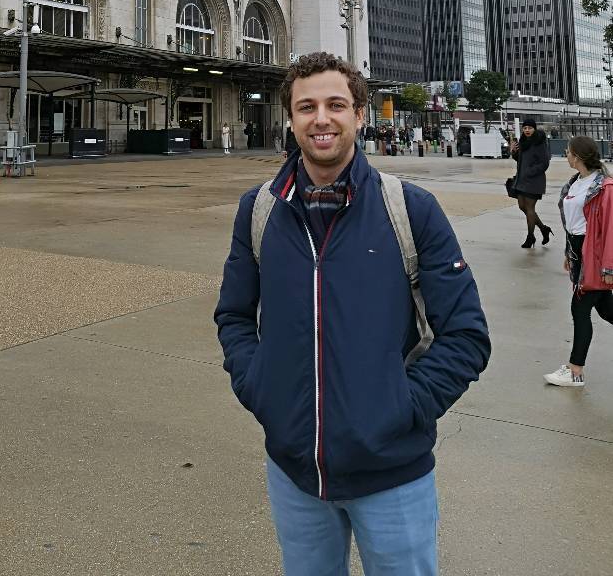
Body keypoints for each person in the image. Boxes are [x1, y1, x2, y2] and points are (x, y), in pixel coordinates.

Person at [214, 51, 490, 576]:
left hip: (393, 475)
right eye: (307, 107)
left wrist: (402, 409)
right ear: (290, 119)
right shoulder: (259, 211)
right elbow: (233, 316)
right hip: (295, 474)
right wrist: (261, 388)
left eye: (336, 104)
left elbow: (467, 335)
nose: (322, 119)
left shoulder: (409, 209)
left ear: (360, 115)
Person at [544, 136, 613, 388]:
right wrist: (567, 253)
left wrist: (609, 267)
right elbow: (572, 225)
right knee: (606, 309)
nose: (566, 155)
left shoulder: (605, 187)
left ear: (579, 156)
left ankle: (575, 371)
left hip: (594, 256)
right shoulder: (575, 183)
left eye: (569, 152)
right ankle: (575, 371)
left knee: (580, 309)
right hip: (578, 252)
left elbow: (610, 230)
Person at [509, 118, 553, 248]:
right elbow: (519, 159)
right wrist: (513, 151)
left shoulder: (539, 142)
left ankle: (530, 237)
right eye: (525, 128)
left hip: (534, 180)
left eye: (530, 128)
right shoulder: (523, 141)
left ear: (534, 129)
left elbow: (544, 163)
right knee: (522, 206)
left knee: (529, 208)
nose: (527, 130)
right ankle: (544, 228)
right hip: (522, 180)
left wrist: (529, 171)